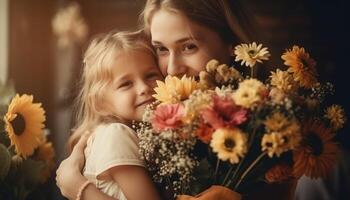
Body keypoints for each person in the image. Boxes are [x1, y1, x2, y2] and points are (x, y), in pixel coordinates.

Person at [56, 0, 259, 199]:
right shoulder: (128, 132)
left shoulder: (262, 127)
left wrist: (80, 189)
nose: (171, 69)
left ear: (231, 43)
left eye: (189, 46)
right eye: (161, 49)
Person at [56, 30, 163, 200]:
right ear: (100, 102)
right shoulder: (116, 134)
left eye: (151, 75)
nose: (144, 88)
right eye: (126, 84)